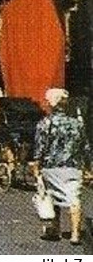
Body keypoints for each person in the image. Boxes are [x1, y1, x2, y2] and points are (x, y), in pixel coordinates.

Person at [32, 88, 90, 244]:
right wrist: (88, 166)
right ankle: (76, 234)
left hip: (51, 167)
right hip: (73, 166)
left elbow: (39, 147)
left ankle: (55, 229)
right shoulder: (77, 124)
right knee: (74, 198)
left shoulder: (45, 123)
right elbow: (85, 147)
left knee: (53, 196)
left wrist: (36, 165)